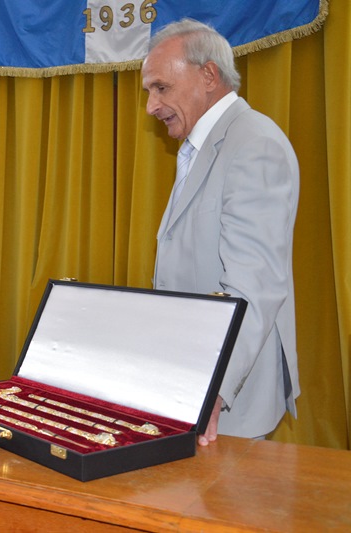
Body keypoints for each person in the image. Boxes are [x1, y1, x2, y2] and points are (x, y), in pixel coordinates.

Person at [141, 19, 299, 445]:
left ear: (208, 75)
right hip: (186, 381)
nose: (151, 106)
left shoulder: (254, 144)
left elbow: (255, 284)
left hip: (225, 400)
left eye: (161, 88)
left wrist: (215, 389)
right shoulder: (200, 145)